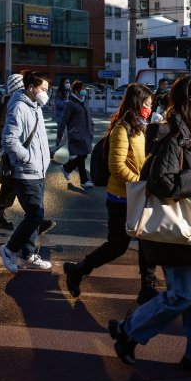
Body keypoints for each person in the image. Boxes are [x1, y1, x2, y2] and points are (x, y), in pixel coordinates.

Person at [107, 75, 191, 372]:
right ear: (186, 101)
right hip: (172, 228)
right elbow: (161, 182)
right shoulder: (172, 134)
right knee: (182, 294)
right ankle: (129, 330)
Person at [63, 83, 161, 302]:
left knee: (148, 239)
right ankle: (78, 270)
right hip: (122, 197)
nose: (150, 108)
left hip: (139, 194)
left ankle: (148, 284)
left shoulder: (142, 127)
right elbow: (117, 166)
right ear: (137, 103)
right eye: (147, 104)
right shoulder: (122, 129)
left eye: (151, 105)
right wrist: (140, 182)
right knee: (117, 246)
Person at [0, 74, 58, 235]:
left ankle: (35, 221)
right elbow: (4, 131)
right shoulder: (14, 104)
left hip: (22, 156)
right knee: (11, 188)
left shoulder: (29, 104)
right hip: (15, 156)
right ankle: (22, 224)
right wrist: (23, 154)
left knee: (17, 190)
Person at [0, 70, 53, 273]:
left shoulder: (35, 106)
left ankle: (28, 254)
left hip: (38, 171)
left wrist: (44, 158)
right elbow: (9, 140)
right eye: (43, 89)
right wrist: (29, 159)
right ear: (31, 88)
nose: (45, 93)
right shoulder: (19, 107)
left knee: (35, 214)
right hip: (25, 172)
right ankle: (9, 249)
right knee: (35, 215)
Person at [56, 81, 95, 189]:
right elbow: (64, 119)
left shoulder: (84, 101)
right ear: (76, 91)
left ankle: (68, 169)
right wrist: (59, 134)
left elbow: (88, 116)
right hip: (76, 134)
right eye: (82, 89)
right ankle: (83, 179)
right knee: (82, 155)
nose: (84, 91)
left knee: (83, 155)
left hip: (86, 133)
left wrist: (92, 126)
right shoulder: (70, 103)